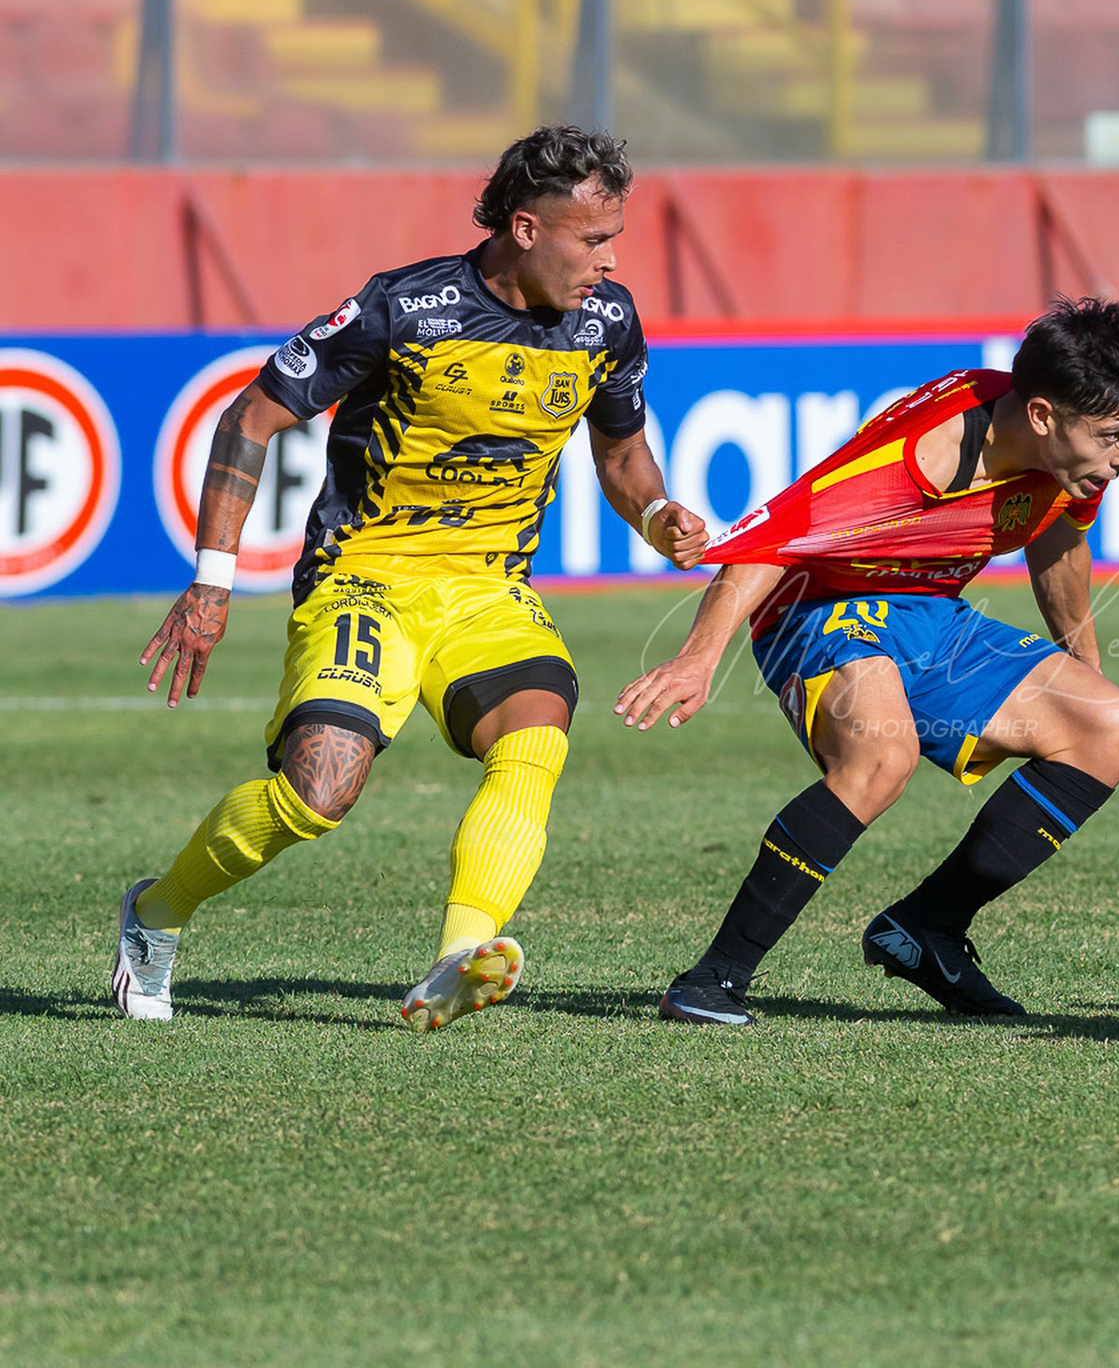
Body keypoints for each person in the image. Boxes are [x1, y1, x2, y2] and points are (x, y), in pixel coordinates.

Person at [114, 126, 708, 1029]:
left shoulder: (606, 321)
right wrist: (211, 580)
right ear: (524, 227)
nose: (609, 259)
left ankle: (457, 959)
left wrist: (661, 515)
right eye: (592, 239)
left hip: (488, 590)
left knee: (537, 731)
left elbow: (623, 456)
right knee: (319, 794)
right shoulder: (403, 309)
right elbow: (251, 418)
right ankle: (156, 915)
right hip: (364, 581)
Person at [613, 298, 1119, 1025]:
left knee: (1110, 727)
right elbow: (769, 541)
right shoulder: (915, 462)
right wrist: (695, 659)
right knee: (881, 760)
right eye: (1113, 437)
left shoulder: (1060, 460)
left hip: (929, 613)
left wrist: (1083, 663)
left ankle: (926, 930)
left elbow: (1055, 537)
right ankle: (712, 979)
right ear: (1041, 416)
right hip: (819, 611)